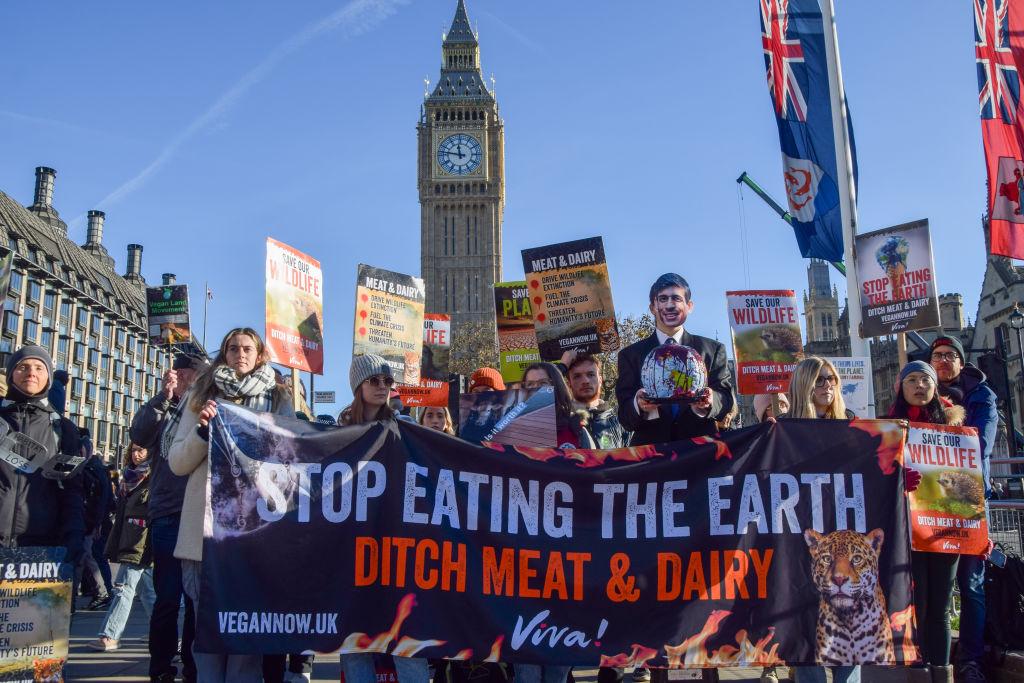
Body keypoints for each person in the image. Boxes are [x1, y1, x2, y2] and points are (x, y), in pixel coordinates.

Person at [168, 328, 291, 682]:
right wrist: (202, 431)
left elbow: (294, 456)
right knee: (206, 633)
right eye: (233, 348)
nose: (240, 353)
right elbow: (177, 462)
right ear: (224, 353)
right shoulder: (200, 394)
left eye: (247, 348)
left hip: (253, 533)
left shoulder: (278, 396)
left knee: (246, 635)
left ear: (259, 354)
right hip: (204, 534)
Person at [340, 354, 430, 683]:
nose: (382, 387)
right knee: (355, 638)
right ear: (357, 386)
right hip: (351, 550)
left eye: (388, 382)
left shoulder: (406, 429)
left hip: (397, 550)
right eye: (374, 381)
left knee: (405, 638)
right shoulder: (337, 432)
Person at [132, 353, 205, 683]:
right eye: (191, 373)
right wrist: (163, 396)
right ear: (178, 375)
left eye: (201, 373)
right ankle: (161, 666)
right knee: (167, 598)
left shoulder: (204, 408)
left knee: (194, 600)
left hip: (198, 514)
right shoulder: (166, 408)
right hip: (167, 512)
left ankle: (192, 666)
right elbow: (140, 433)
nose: (196, 379)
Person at [784, 357, 857, 683]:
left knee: (850, 623)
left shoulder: (855, 425)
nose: (827, 386)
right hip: (803, 541)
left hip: (845, 542)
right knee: (806, 625)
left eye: (832, 379)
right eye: (819, 380)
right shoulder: (783, 430)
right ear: (803, 385)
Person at [928, 336, 995, 683]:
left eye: (950, 355)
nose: (942, 361)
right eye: (936, 355)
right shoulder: (922, 393)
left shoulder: (981, 397)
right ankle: (931, 658)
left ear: (961, 361)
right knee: (931, 587)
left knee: (970, 586)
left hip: (968, 501)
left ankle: (971, 659)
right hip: (928, 501)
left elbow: (978, 446)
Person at [889, 361, 961, 683]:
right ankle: (918, 673)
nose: (920, 386)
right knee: (914, 606)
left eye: (926, 380)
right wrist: (899, 477)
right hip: (908, 531)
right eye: (913, 380)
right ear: (901, 387)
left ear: (935, 387)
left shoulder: (956, 430)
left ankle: (941, 673)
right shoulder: (888, 428)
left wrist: (978, 533)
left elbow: (968, 480)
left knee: (941, 608)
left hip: (945, 529)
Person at [616, 273, 734, 447]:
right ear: (652, 307)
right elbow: (625, 418)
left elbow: (726, 399)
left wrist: (710, 402)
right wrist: (637, 405)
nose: (670, 305)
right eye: (663, 299)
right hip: (651, 459)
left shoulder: (713, 350)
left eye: (676, 299)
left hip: (701, 455)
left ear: (689, 306)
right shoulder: (630, 355)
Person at [0, 344, 85, 564]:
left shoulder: (63, 429)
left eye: (39, 367)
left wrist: (73, 535)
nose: (31, 373)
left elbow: (72, 490)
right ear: (10, 374)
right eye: (23, 366)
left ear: (48, 376)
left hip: (40, 552)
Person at [88, 442, 156, 652]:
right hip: (128, 538)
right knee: (148, 593)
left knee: (124, 588)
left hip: (140, 541)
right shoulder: (129, 477)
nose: (136, 454)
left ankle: (110, 635)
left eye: (141, 449)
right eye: (133, 450)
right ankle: (164, 632)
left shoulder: (153, 479)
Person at [79, 430, 115, 610]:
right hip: (94, 520)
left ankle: (104, 592)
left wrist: (98, 523)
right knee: (93, 557)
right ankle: (102, 591)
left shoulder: (94, 470)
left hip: (95, 522)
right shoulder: (96, 469)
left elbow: (101, 499)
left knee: (93, 557)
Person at [565, 353, 627, 448]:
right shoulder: (560, 422)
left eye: (591, 374)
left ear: (600, 380)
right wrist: (561, 367)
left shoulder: (621, 421)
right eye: (577, 376)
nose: (585, 381)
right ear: (569, 384)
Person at [784, 357, 853, 420]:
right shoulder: (783, 427)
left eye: (831, 378)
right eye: (818, 380)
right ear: (802, 385)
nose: (828, 385)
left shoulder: (850, 422)